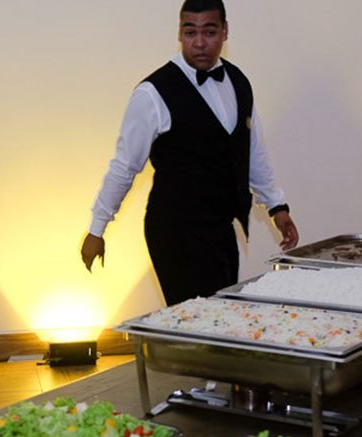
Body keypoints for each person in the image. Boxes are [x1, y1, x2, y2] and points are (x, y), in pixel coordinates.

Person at [81, 0, 299, 305]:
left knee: (222, 313)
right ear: (179, 34)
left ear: (224, 32)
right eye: (190, 32)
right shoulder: (152, 93)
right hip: (175, 232)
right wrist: (97, 229)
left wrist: (277, 208)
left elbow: (252, 152)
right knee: (194, 320)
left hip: (222, 230)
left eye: (209, 32)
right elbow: (125, 166)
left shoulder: (238, 82)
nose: (199, 42)